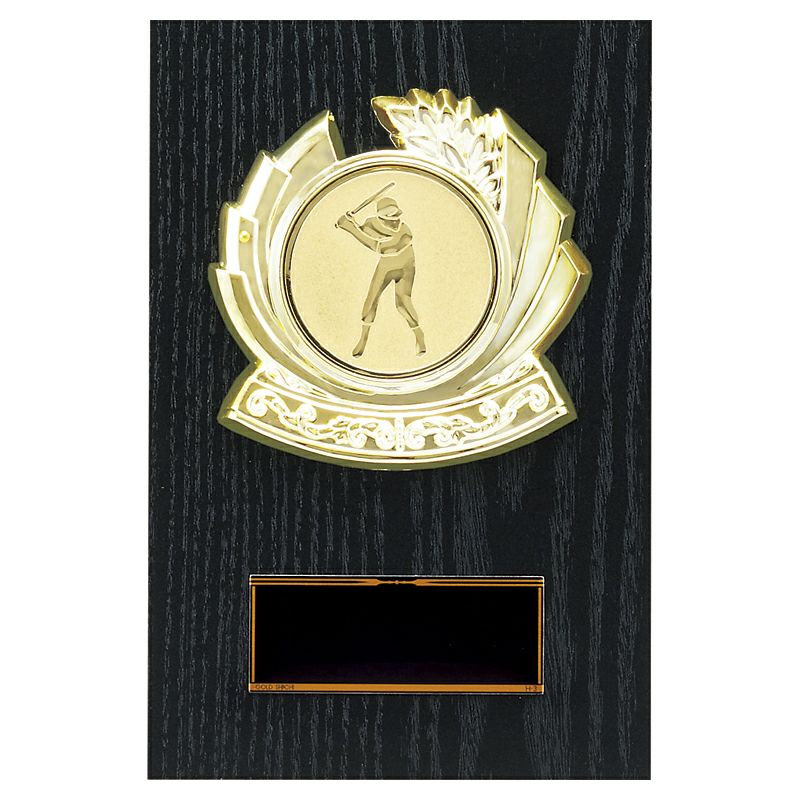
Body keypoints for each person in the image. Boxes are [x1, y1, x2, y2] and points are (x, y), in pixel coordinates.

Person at [336, 197, 427, 357]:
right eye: (389, 217)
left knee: (402, 304)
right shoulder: (372, 222)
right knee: (371, 300)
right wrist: (350, 221)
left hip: (405, 267)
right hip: (386, 266)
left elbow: (382, 248)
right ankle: (363, 338)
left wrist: (350, 228)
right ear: (381, 217)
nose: (395, 221)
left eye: (396, 216)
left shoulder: (405, 230)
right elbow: (365, 231)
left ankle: (419, 334)